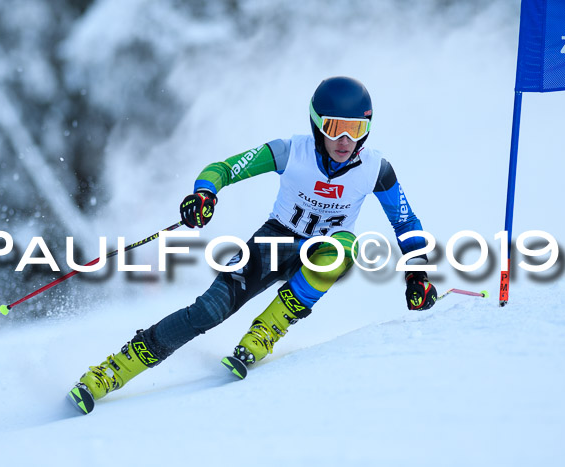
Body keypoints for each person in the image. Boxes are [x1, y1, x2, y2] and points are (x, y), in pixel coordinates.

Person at [72, 76, 438, 407]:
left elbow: (406, 223)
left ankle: (268, 328)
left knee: (344, 247)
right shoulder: (290, 151)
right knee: (206, 312)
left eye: (356, 129)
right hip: (273, 243)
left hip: (323, 250)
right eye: (335, 128)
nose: (345, 140)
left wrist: (417, 274)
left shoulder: (376, 168)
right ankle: (112, 371)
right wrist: (204, 194)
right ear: (316, 125)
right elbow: (225, 168)